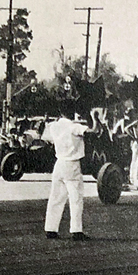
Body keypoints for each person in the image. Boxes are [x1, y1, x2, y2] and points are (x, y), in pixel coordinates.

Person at [41, 100, 101, 241]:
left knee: (56, 197)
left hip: (59, 163)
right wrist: (95, 118)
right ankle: (76, 231)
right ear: (72, 111)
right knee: (76, 199)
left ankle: (51, 229)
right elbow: (95, 131)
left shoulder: (54, 126)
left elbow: (46, 138)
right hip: (72, 164)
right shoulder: (75, 127)